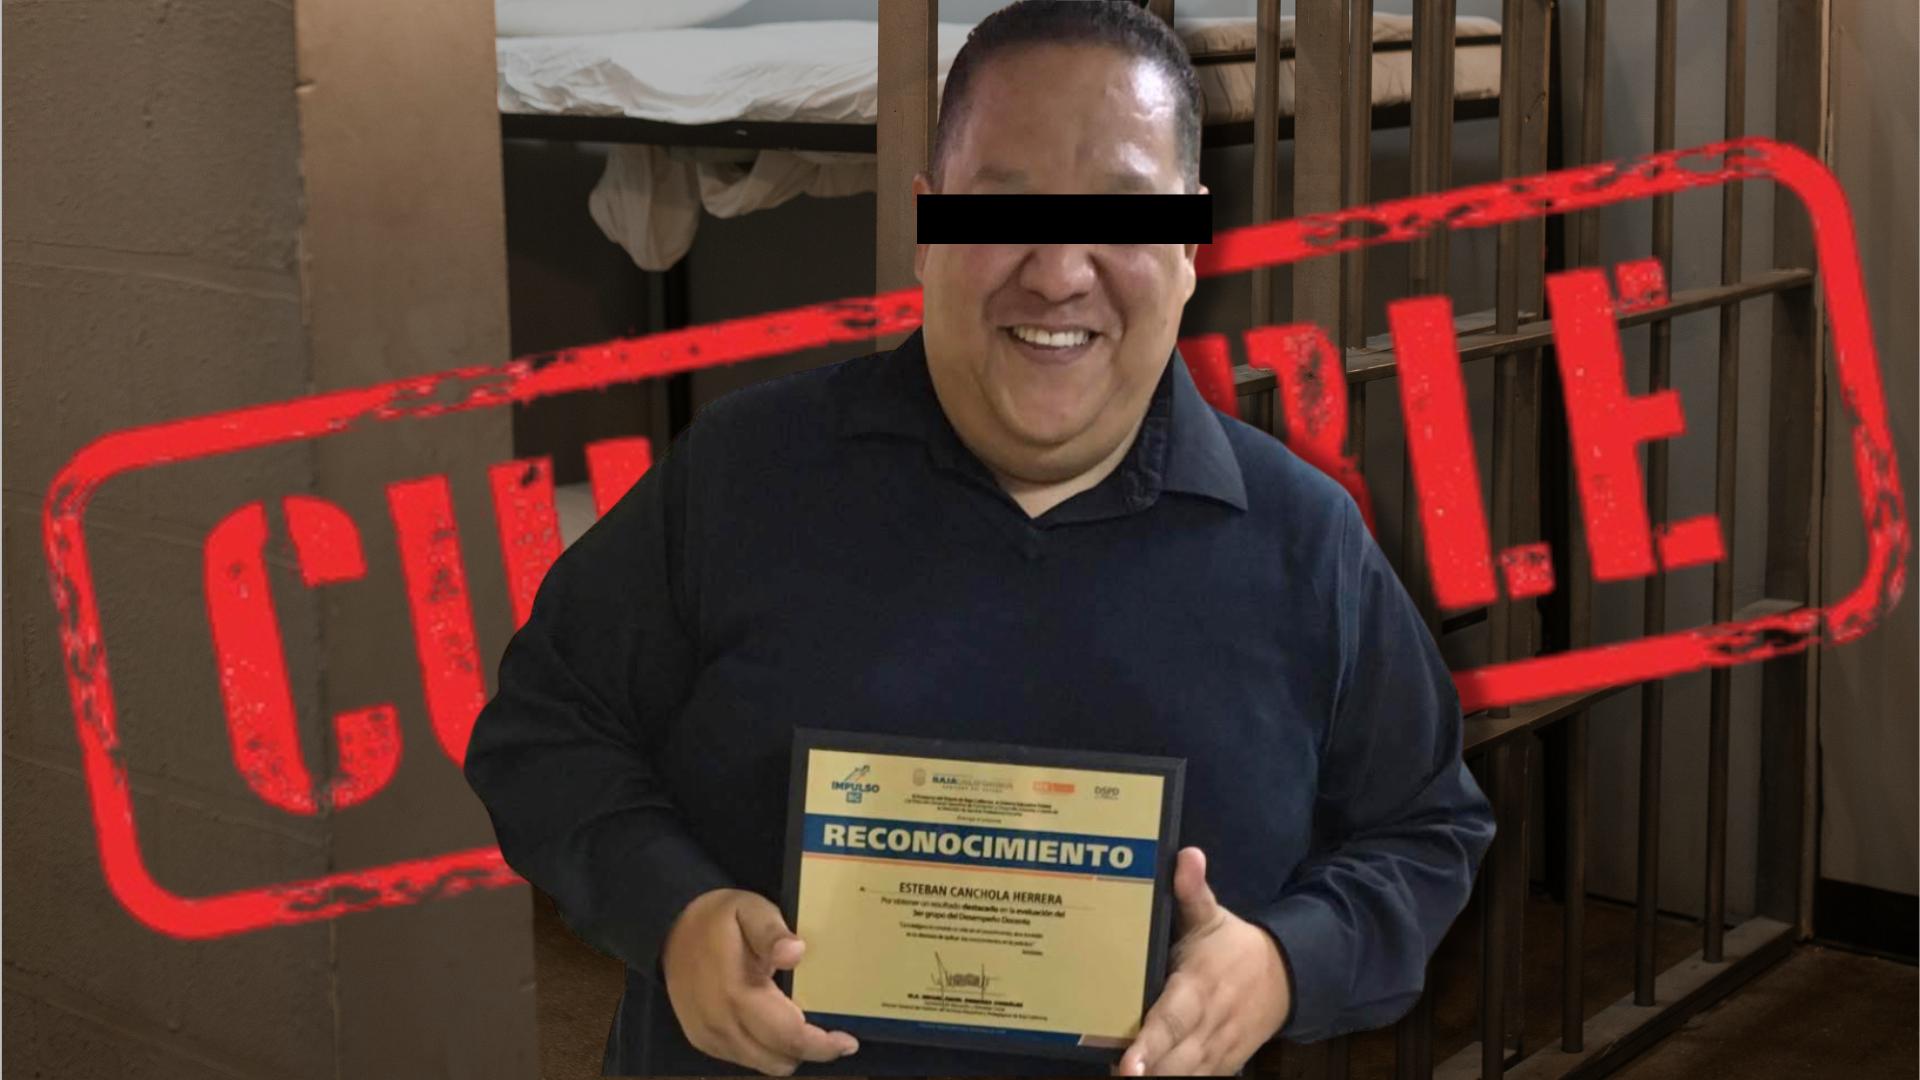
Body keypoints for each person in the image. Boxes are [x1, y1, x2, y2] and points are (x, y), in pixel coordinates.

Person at [463, 2, 1494, 1075]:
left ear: (1190, 243)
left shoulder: (1305, 543)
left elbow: (1426, 832)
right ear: (929, 226)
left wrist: (1283, 962)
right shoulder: (741, 474)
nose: (1058, 271)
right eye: (1006, 209)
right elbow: (544, 730)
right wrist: (673, 914)